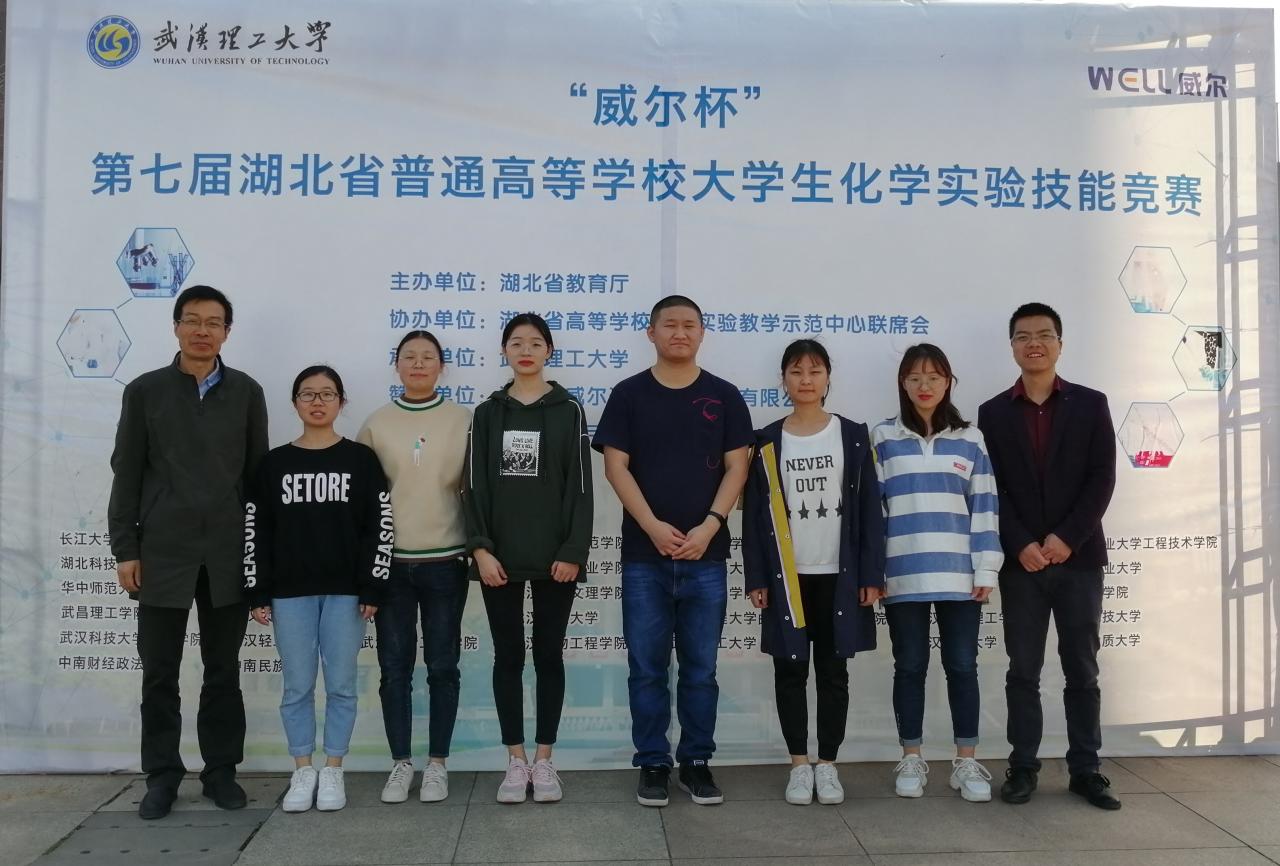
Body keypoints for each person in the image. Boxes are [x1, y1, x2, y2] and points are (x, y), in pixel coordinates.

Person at [108, 285, 268, 820]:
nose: (203, 331)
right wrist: (126, 548)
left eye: (213, 322)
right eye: (193, 320)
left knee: (223, 670)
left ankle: (221, 771)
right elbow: (127, 472)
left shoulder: (246, 392)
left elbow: (256, 479)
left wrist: (257, 555)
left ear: (227, 332)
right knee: (159, 672)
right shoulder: (145, 391)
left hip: (227, 554)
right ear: (176, 326)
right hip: (163, 553)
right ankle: (162, 775)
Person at [593, 295, 753, 807]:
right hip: (646, 558)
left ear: (702, 333)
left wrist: (710, 525)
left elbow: (738, 466)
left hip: (706, 556)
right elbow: (615, 466)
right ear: (651, 332)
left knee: (701, 669)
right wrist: (652, 527)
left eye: (689, 325)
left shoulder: (724, 395)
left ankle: (697, 762)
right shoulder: (629, 394)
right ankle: (653, 763)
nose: (679, 333)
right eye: (669, 325)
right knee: (647, 668)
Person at [977, 303, 1120, 810]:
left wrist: (1067, 538)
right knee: (1023, 670)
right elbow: (992, 488)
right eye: (1023, 336)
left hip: (1078, 560)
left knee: (1082, 668)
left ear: (1060, 343)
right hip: (1023, 565)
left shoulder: (1091, 404)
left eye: (1043, 335)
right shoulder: (993, 413)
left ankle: (1087, 770)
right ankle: (1023, 766)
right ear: (1012, 346)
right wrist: (1020, 543)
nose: (1033, 343)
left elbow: (1102, 477)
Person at [742, 339, 884, 806]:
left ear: (827, 379)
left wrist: (871, 574)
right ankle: (799, 765)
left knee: (833, 672)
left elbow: (869, 509)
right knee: (789, 669)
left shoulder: (853, 435)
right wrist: (757, 577)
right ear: (783, 379)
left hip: (838, 575)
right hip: (788, 576)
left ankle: (828, 764)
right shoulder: (766, 440)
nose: (806, 380)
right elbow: (754, 516)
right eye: (796, 371)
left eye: (815, 371)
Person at [244, 366, 392, 813]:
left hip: (347, 593)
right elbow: (256, 530)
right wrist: (257, 591)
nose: (317, 402)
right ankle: (302, 768)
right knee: (297, 686)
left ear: (341, 403)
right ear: (295, 403)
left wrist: (373, 585)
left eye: (327, 394)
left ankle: (333, 769)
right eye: (307, 394)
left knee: (342, 685)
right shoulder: (273, 464)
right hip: (290, 593)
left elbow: (379, 526)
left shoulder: (361, 460)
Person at [462, 313, 593, 804]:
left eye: (535, 343)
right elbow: (472, 485)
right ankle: (515, 761)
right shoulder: (487, 413)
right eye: (516, 343)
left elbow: (582, 487)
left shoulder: (569, 410)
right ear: (504, 351)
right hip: (499, 559)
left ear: (549, 352)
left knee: (549, 655)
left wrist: (573, 550)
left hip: (557, 559)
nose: (525, 351)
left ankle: (544, 759)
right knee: (508, 657)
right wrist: (480, 549)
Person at [871, 344, 1004, 803]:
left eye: (934, 377)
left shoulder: (970, 439)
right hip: (902, 573)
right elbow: (874, 513)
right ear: (903, 384)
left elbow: (985, 505)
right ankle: (911, 756)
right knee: (909, 666)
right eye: (914, 378)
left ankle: (965, 761)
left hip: (959, 576)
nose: (924, 386)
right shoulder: (883, 438)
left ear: (948, 382)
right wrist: (875, 570)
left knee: (962, 666)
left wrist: (986, 566)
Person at [357, 331, 471, 804]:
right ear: (397, 366)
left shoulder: (464, 420)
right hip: (392, 565)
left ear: (442, 366)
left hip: (446, 560)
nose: (418, 364)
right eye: (409, 357)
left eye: (428, 357)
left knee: (443, 665)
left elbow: (476, 490)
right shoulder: (376, 424)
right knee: (394, 667)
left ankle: (438, 763)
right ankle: (401, 763)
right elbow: (362, 502)